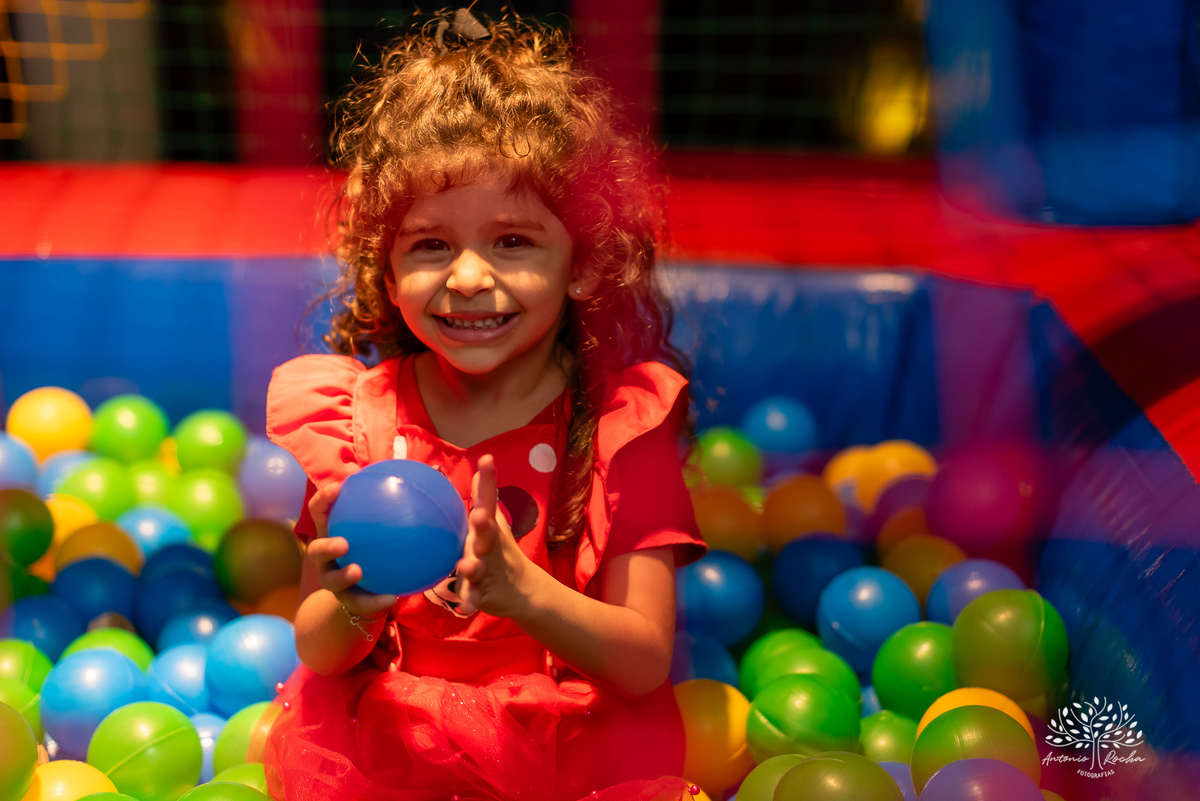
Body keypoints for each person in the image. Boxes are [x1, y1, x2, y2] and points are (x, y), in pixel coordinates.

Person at [261, 9, 708, 801]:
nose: (467, 277)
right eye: (431, 244)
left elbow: (643, 658)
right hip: (386, 751)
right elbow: (320, 647)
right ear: (387, 271)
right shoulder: (356, 423)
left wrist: (521, 591)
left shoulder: (618, 431)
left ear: (583, 263)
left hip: (566, 755)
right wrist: (356, 601)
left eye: (512, 241)